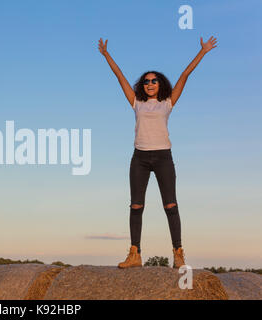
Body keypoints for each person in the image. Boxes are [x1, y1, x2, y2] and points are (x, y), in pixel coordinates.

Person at [98, 36, 218, 268]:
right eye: (146, 81)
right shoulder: (136, 103)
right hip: (139, 158)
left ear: (160, 83)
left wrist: (202, 52)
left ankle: (178, 253)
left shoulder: (167, 102)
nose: (150, 83)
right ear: (142, 86)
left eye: (154, 80)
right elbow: (120, 76)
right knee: (136, 205)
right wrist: (106, 55)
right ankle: (135, 254)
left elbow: (184, 75)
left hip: (163, 157)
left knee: (170, 205)